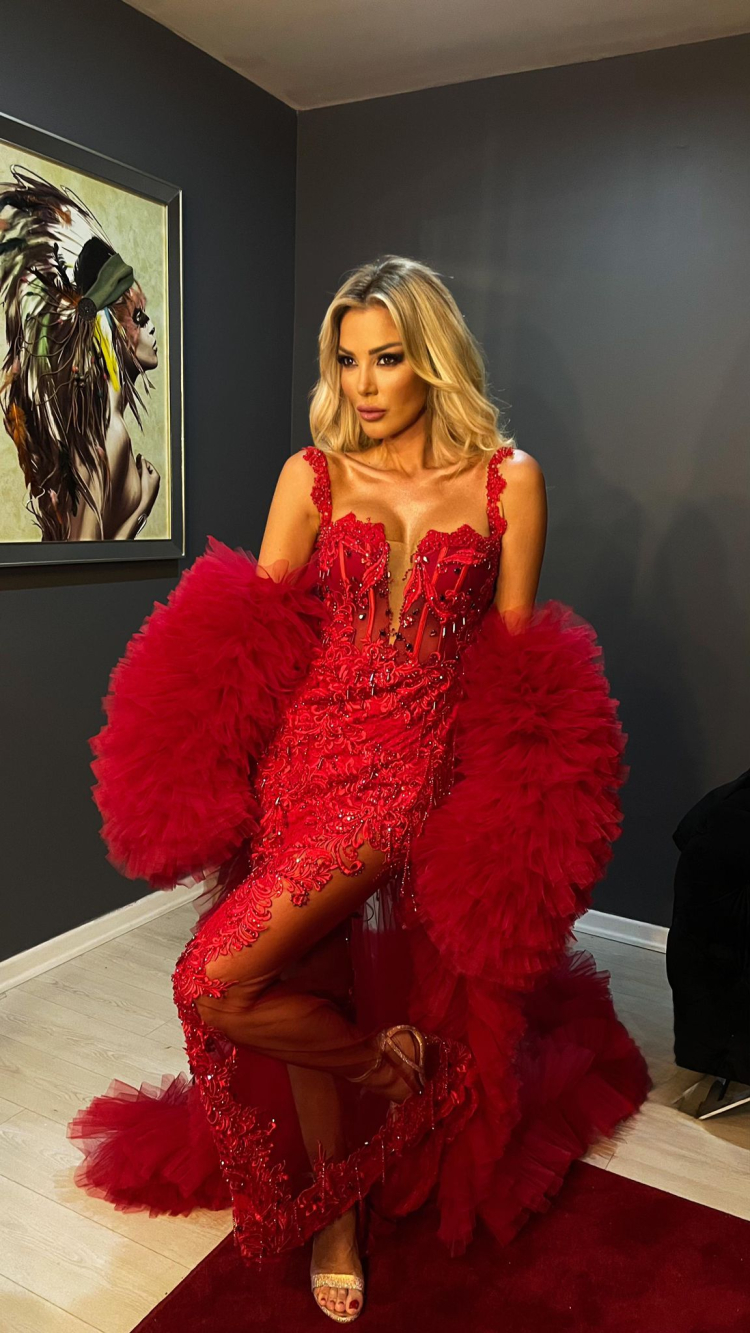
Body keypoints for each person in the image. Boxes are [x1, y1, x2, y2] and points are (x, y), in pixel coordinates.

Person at [68, 255, 650, 1323]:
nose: (365, 383)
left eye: (387, 358)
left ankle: (393, 1083)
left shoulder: (509, 480)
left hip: (410, 772)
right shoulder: (314, 474)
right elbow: (258, 631)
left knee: (211, 980)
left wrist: (505, 805)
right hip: (300, 761)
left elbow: (515, 657)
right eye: (347, 360)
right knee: (307, 979)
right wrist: (220, 767)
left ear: (432, 359)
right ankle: (349, 1181)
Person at [0, 168, 160, 541]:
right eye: (139, 317)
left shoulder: (98, 429)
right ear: (112, 334)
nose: (152, 327)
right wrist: (142, 507)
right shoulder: (110, 434)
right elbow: (86, 556)